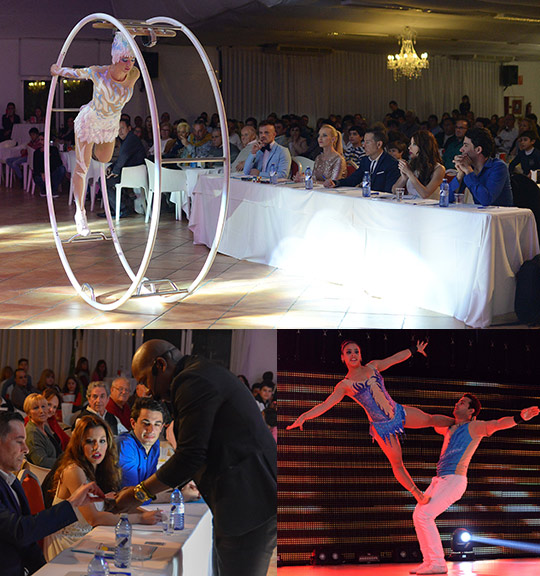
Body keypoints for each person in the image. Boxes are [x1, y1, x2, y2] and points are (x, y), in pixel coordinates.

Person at [113, 339, 277, 576]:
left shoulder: (191, 380)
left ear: (161, 364)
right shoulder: (199, 372)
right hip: (244, 498)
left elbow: (190, 456)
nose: (148, 390)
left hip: (248, 501)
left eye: (145, 380)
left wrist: (139, 493)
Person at [287, 340, 454, 504]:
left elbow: (394, 359)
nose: (353, 355)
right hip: (381, 427)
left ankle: (458, 423)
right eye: (348, 352)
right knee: (397, 462)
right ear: (343, 358)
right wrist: (304, 416)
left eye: (356, 351)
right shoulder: (344, 385)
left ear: (361, 355)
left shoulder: (373, 366)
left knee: (429, 419)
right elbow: (325, 405)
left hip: (397, 411)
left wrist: (414, 349)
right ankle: (418, 494)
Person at [411, 395, 539, 575]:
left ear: (471, 411)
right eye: (457, 401)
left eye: (462, 403)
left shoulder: (474, 426)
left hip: (454, 480)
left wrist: (520, 417)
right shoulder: (449, 427)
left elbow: (497, 424)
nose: (457, 404)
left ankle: (438, 563)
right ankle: (429, 561)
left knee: (424, 515)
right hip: (440, 479)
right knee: (418, 515)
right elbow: (426, 419)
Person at [50, 31, 140, 236]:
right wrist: (57, 71)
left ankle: (90, 151)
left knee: (104, 158)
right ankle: (80, 213)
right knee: (82, 166)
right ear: (115, 57)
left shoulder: (134, 74)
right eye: (124, 59)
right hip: (91, 120)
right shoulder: (99, 72)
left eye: (132, 59)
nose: (128, 64)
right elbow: (76, 73)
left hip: (110, 124)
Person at [0, 411, 105, 576]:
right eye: (19, 442)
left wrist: (44, 571)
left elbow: (29, 544)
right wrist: (72, 503)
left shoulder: (11, 481)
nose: (26, 449)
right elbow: (20, 531)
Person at [44, 414, 161, 560]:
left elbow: (108, 506)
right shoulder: (73, 471)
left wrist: (142, 511)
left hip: (88, 540)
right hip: (67, 547)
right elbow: (94, 518)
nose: (96, 447)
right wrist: (140, 518)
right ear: (79, 444)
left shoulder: (97, 468)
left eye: (102, 441)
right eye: (89, 441)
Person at [449, 127, 513, 206]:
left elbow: (486, 200)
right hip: (481, 215)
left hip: (501, 216)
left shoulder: (499, 167)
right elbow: (448, 198)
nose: (461, 150)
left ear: (478, 149)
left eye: (465, 145)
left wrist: (469, 171)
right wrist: (460, 174)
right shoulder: (468, 167)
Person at [324, 128, 400, 192]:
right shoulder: (365, 160)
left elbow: (389, 191)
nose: (364, 145)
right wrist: (335, 182)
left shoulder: (391, 163)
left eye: (368, 142)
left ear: (379, 144)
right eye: (364, 142)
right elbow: (353, 179)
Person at [98, 118, 146, 219]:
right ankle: (115, 209)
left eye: (122, 128)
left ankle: (120, 209)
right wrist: (111, 167)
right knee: (104, 180)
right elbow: (122, 158)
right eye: (117, 128)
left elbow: (123, 156)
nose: (120, 131)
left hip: (134, 174)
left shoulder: (131, 139)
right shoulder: (126, 139)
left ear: (129, 128)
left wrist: (115, 171)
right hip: (128, 172)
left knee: (105, 181)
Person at [116, 397, 165, 488]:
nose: (151, 430)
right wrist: (181, 495)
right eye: (146, 423)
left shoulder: (155, 444)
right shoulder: (125, 445)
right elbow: (132, 495)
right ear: (133, 423)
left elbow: (150, 486)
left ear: (161, 428)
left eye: (157, 424)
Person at [392, 131, 445, 200]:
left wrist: (410, 174)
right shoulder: (412, 165)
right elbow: (394, 190)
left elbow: (425, 194)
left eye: (414, 144)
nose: (409, 148)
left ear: (423, 147)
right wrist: (404, 178)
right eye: (410, 144)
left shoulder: (439, 169)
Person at [23, 393, 62, 468]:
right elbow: (41, 462)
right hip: (46, 474)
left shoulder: (44, 427)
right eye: (36, 408)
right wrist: (65, 462)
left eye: (43, 406)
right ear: (28, 413)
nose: (41, 411)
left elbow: (58, 450)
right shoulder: (32, 433)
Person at [32, 132, 66, 198]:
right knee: (37, 176)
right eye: (39, 140)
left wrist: (50, 155)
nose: (40, 142)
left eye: (42, 140)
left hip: (52, 173)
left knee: (61, 169)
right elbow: (36, 166)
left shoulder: (54, 150)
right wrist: (42, 172)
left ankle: (54, 190)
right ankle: (43, 189)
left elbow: (58, 163)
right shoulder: (37, 152)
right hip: (41, 174)